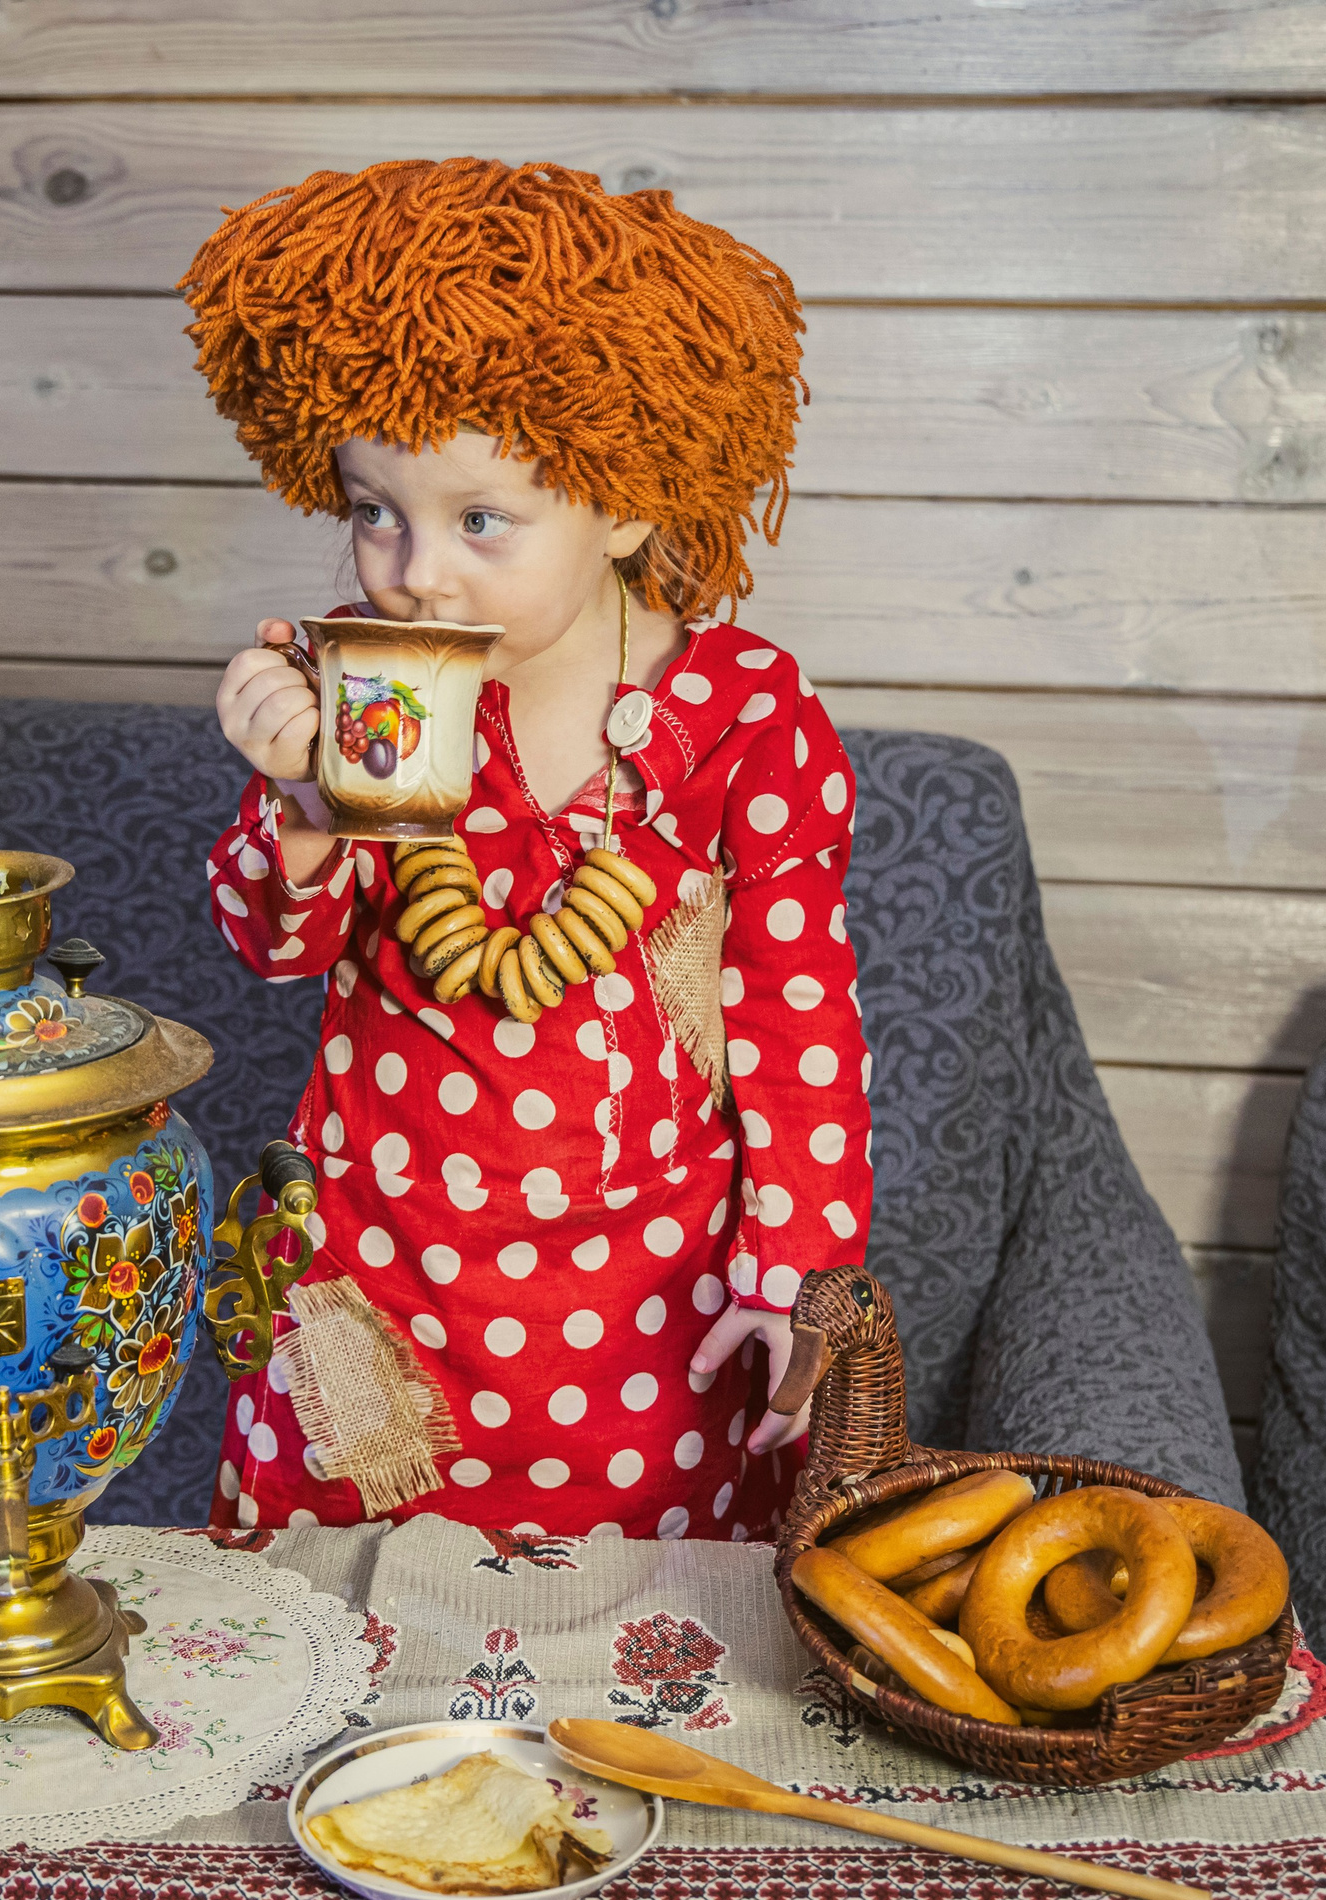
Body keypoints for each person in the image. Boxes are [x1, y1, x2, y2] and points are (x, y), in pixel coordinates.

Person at [184, 158, 871, 1541]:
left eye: (478, 521)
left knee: (633, 1629)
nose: (411, 569)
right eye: (375, 510)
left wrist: (792, 1264)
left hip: (650, 1302)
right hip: (380, 1269)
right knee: (341, 1603)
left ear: (625, 502)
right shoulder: (378, 681)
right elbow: (273, 949)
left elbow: (796, 1007)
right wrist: (306, 806)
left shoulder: (743, 715)